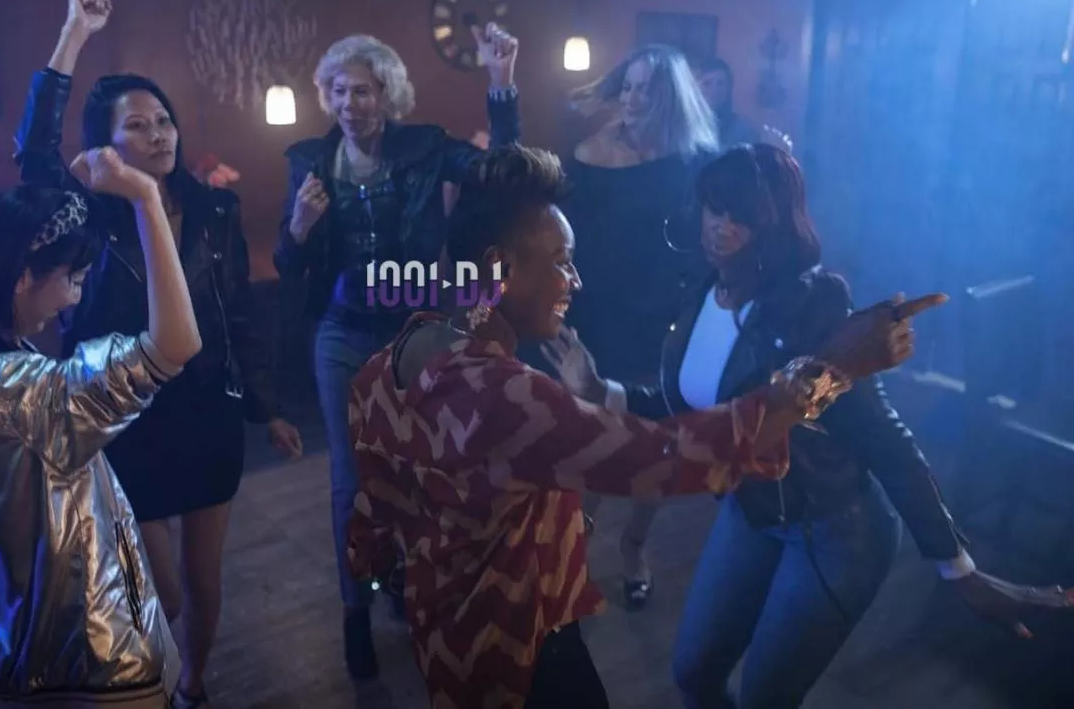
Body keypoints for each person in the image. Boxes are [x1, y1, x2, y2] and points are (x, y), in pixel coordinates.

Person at [347, 144, 942, 709]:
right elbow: (665, 457)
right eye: (562, 262)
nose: (575, 281)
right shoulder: (509, 397)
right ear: (498, 269)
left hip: (444, 642)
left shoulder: (387, 365)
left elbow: (372, 512)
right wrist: (832, 370)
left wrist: (400, 572)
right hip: (525, 653)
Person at [545, 143, 1074, 709]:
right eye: (715, 207)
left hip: (835, 528)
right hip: (753, 509)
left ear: (775, 224)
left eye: (742, 215)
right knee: (694, 672)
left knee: (765, 698)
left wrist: (959, 568)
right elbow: (693, 406)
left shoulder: (813, 304)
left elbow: (884, 437)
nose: (722, 226)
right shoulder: (702, 288)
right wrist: (601, 390)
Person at [15, 0, 302, 709]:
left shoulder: (214, 207)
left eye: (164, 120)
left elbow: (237, 313)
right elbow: (34, 159)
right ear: (108, 144)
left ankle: (192, 686)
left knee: (205, 578)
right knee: (161, 588)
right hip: (124, 416)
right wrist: (73, 35)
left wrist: (268, 406)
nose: (158, 134)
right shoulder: (91, 212)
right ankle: (153, 676)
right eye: (137, 126)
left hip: (206, 408)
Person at [275, 24, 519, 677]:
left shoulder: (426, 147)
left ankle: (406, 585)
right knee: (351, 481)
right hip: (342, 334)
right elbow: (287, 260)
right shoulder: (309, 161)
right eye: (338, 91)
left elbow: (501, 174)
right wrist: (299, 226)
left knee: (417, 472)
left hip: (413, 332)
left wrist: (500, 82)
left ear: (387, 96)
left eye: (362, 91)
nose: (349, 103)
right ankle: (354, 611)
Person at [0, 148, 201, 708]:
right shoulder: (15, 391)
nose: (74, 296)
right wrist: (146, 196)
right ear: (24, 276)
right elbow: (175, 345)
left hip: (40, 640)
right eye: (72, 278)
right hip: (92, 655)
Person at [558, 43, 719, 609]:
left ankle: (633, 546)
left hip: (661, 317)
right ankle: (574, 555)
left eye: (645, 89)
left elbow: (712, 238)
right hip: (597, 313)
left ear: (669, 97)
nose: (631, 98)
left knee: (653, 444)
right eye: (626, 86)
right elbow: (562, 235)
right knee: (591, 441)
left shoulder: (695, 161)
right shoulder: (588, 153)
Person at [694, 56, 791, 152]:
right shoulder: (688, 125)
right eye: (707, 83)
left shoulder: (741, 128)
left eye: (720, 83)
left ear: (728, 88)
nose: (714, 90)